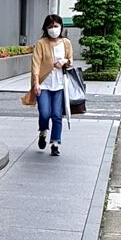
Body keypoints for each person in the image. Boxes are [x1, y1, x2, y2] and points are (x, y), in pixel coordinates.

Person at [31, 14, 73, 156]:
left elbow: (71, 60)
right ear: (46, 28)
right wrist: (36, 83)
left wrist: (65, 61)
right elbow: (36, 64)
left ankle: (55, 143)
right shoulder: (41, 43)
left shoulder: (66, 43)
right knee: (44, 113)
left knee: (56, 115)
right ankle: (43, 131)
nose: (53, 29)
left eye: (56, 26)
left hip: (60, 84)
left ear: (61, 27)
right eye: (50, 27)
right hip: (44, 84)